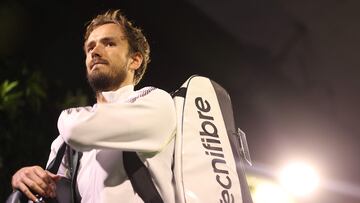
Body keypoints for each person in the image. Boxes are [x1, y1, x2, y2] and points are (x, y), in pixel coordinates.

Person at [11, 9, 176, 203]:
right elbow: (53, 191)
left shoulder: (156, 101)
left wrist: (65, 118)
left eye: (109, 43)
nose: (95, 52)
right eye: (90, 48)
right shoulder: (64, 143)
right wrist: (26, 179)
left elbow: (75, 130)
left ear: (135, 60)